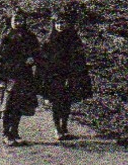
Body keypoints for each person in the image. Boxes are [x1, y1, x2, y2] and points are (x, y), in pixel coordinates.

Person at [37, 8, 94, 141]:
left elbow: (79, 58)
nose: (60, 26)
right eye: (58, 23)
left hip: (70, 75)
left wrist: (77, 74)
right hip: (54, 76)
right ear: (53, 24)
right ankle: (57, 129)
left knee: (67, 102)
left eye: (63, 23)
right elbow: (43, 60)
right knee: (57, 103)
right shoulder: (48, 40)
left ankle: (65, 127)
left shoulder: (73, 39)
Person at [0, 10, 40, 146]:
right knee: (8, 105)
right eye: (15, 20)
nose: (18, 23)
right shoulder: (4, 36)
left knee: (19, 105)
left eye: (21, 20)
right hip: (9, 76)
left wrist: (33, 59)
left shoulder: (29, 37)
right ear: (10, 21)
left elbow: (37, 53)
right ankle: (6, 133)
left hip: (24, 75)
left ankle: (15, 131)